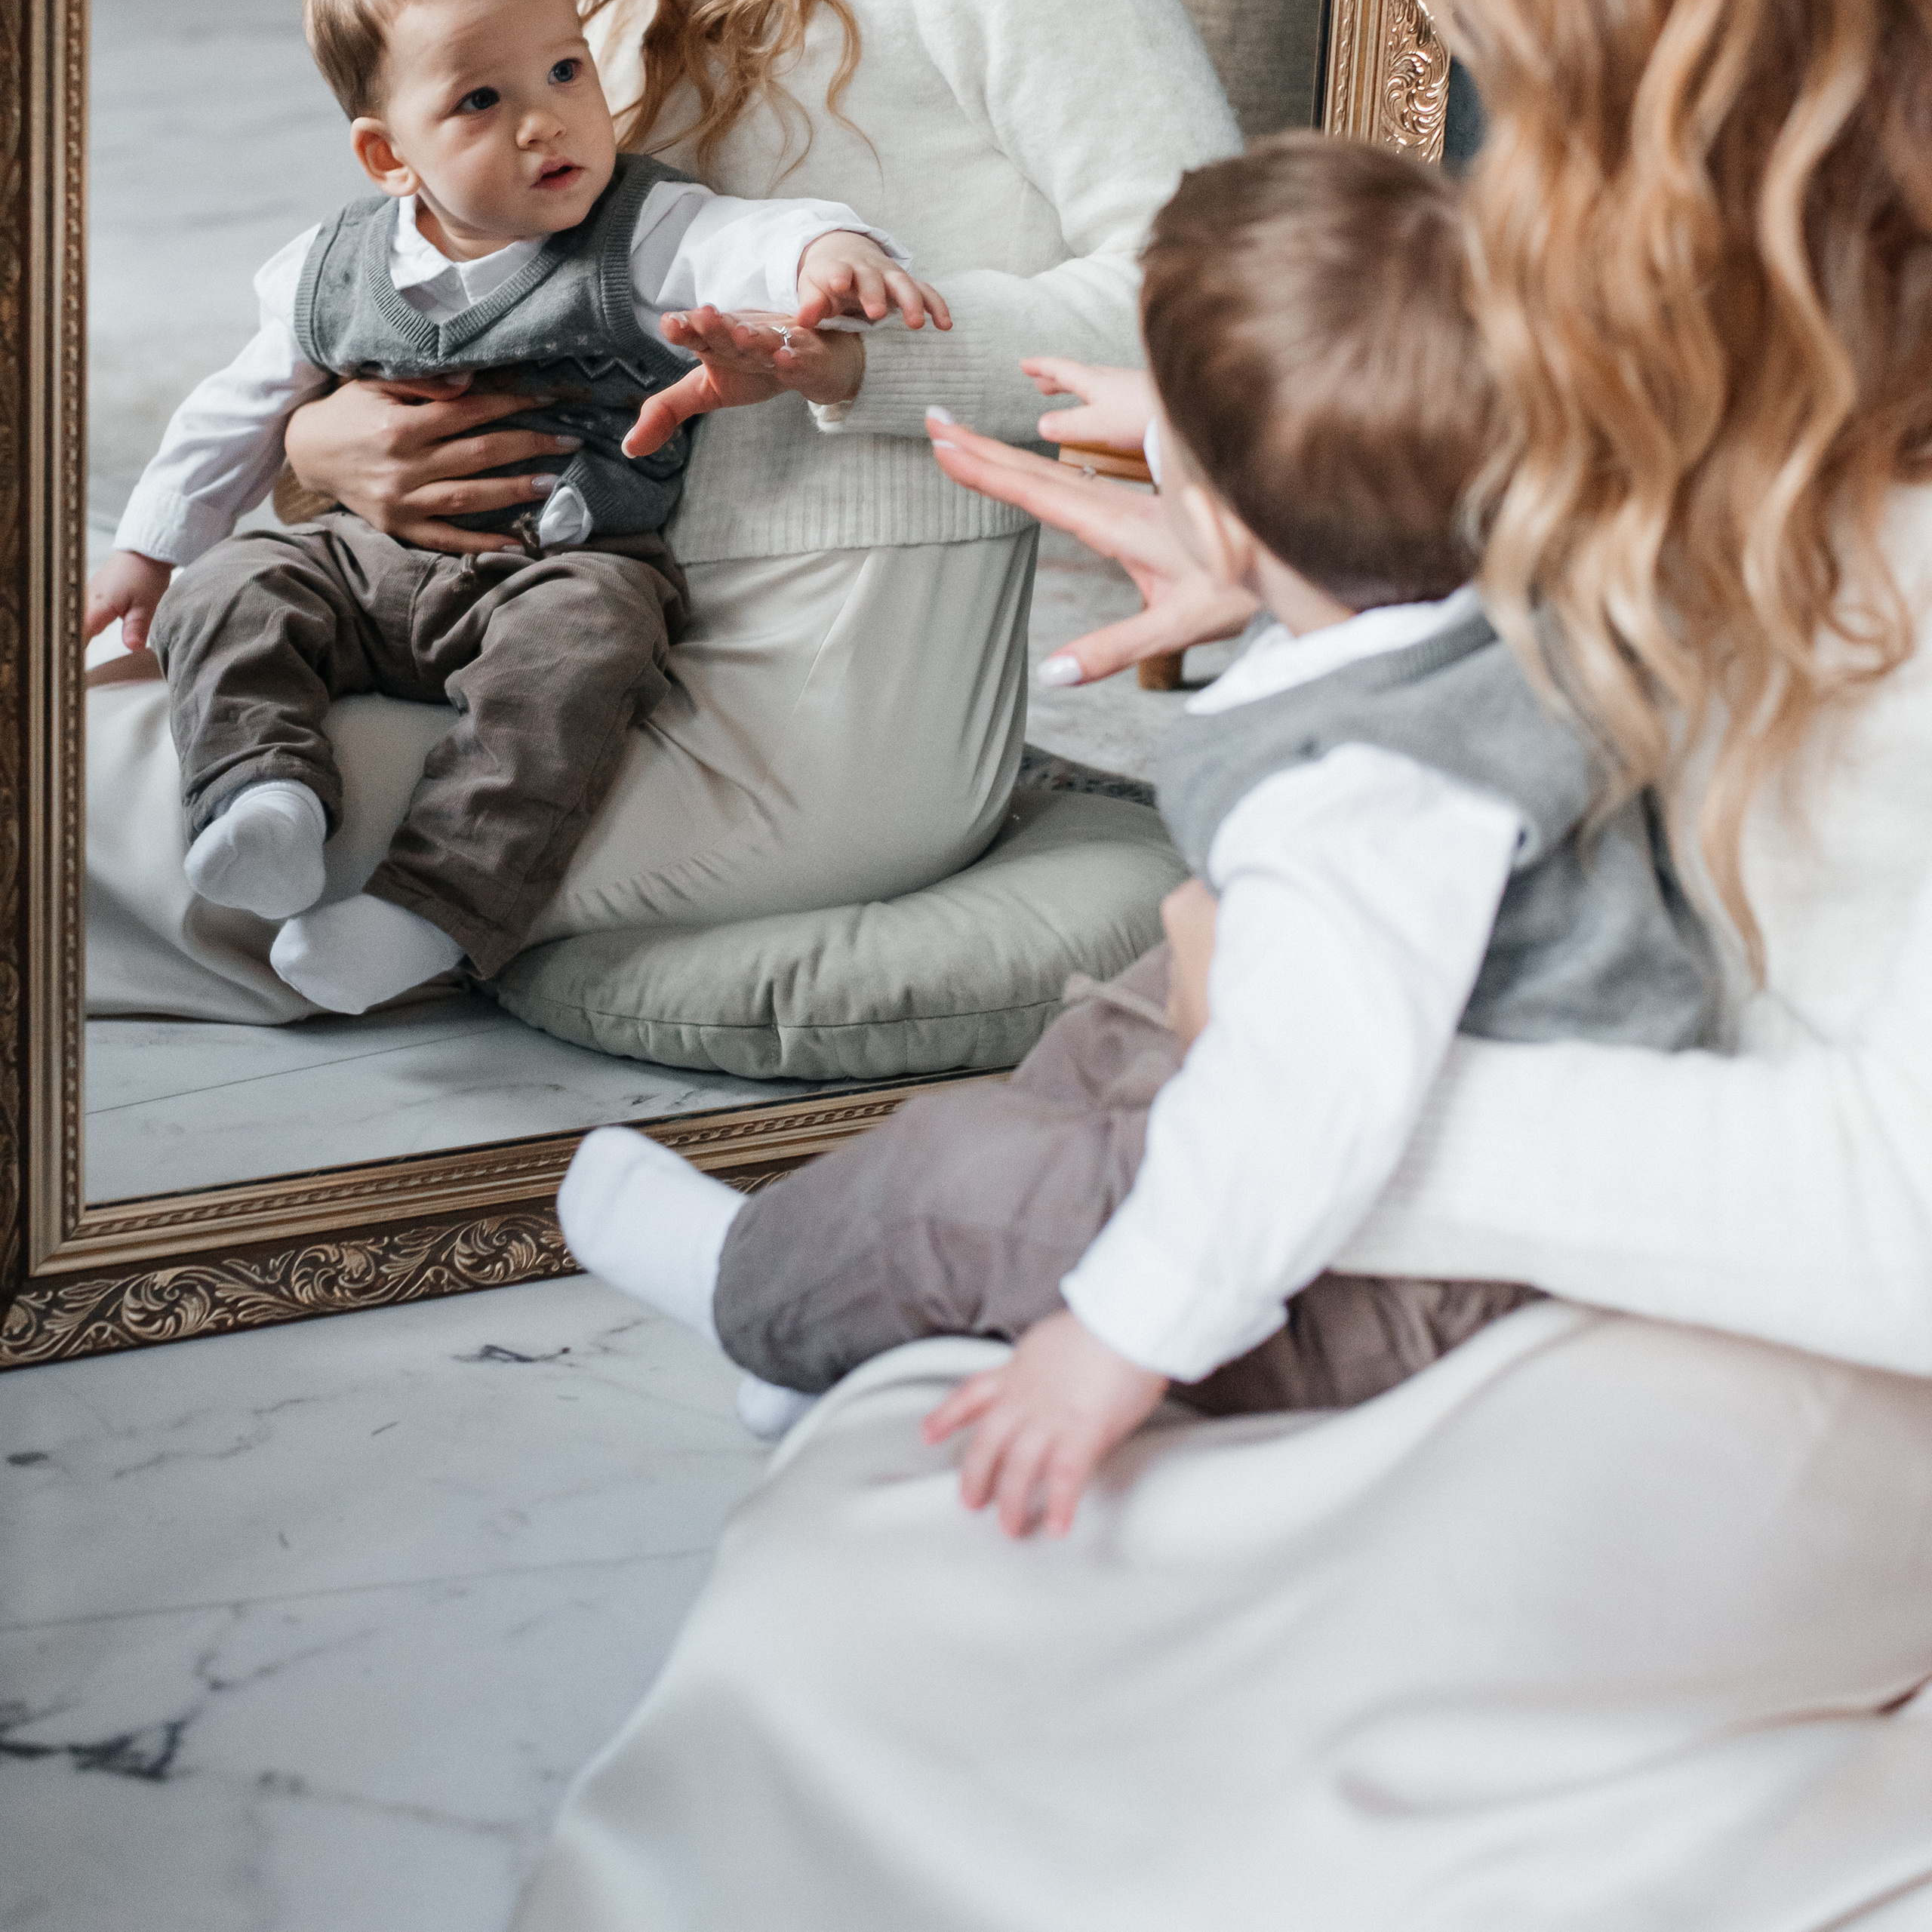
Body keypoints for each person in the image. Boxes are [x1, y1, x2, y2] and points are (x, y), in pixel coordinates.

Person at [514, 0, 1932, 1931]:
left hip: (1812, 1327)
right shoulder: (1718, 345)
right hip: (1610, 1178)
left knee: (949, 1643)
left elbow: (1884, 1196)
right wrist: (1320, 627)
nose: (1455, 3)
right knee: (887, 1556)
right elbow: (1629, 753)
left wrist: (1315, 1090)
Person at [86, 0, 1237, 1018]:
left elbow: (1218, 320)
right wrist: (316, 447)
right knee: (126, 685)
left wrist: (860, 362)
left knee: (72, 796)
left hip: (811, 723)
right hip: (544, 661)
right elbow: (435, 280)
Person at [557, 132, 1715, 1519]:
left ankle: (762, 1279)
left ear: (1217, 527)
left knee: (959, 1181)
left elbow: (1304, 1109)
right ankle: (862, 1336)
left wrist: (1121, 1341)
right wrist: (1182, 431)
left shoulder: (1360, 794)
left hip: (1417, 1267)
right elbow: (1333, 456)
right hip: (1428, 1111)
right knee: (1123, 1018)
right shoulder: (1497, 583)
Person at [85, 0, 944, 1013]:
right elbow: (233, 412)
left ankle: (430, 910)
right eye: (480, 102)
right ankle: (263, 800)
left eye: (564, 69)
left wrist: (825, 252)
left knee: (591, 644)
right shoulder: (328, 267)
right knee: (231, 587)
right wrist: (148, 552)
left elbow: (747, 237)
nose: (547, 120)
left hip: (557, 568)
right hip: (361, 567)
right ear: (391, 156)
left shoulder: (636, 230)